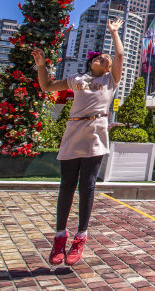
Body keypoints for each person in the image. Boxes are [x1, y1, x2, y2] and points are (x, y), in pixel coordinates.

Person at [34, 17, 124, 267]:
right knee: (67, 186)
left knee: (88, 186)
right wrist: (41, 65)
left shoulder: (110, 81)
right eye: (99, 56)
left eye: (105, 59)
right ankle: (59, 237)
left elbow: (119, 55)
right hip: (74, 130)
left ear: (109, 68)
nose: (103, 57)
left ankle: (80, 237)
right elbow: (46, 86)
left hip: (96, 132)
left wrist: (114, 32)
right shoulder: (76, 79)